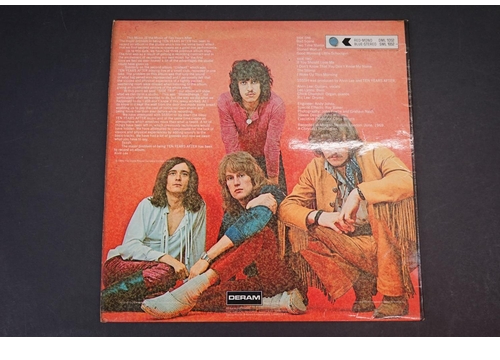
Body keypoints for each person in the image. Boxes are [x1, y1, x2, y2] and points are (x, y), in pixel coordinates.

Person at [278, 112, 418, 318]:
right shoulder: (316, 167)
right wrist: (321, 217)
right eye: (326, 144)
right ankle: (362, 281)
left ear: (351, 141)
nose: (333, 151)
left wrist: (359, 193)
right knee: (300, 232)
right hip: (348, 241)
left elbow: (408, 181)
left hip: (390, 242)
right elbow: (287, 207)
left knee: (380, 205)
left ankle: (394, 296)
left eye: (339, 142)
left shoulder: (375, 153)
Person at [141, 151, 306, 319]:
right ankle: (274, 302)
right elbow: (224, 258)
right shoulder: (231, 214)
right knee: (208, 296)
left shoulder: (271, 192)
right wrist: (212, 285)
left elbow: (254, 222)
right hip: (261, 286)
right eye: (230, 178)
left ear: (253, 177)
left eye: (241, 175)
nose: (236, 182)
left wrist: (205, 259)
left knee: (259, 233)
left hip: (282, 278)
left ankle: (193, 288)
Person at [101, 157, 206, 311]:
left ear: (191, 180)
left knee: (174, 290)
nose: (178, 178)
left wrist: (191, 283)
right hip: (121, 266)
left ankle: (128, 304)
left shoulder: (197, 208)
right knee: (166, 271)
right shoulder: (148, 204)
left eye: (184, 174)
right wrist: (167, 259)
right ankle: (103, 299)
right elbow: (130, 246)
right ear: (164, 178)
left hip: (159, 276)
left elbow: (196, 248)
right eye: (172, 173)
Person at [217, 59, 287, 193]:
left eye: (254, 82)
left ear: (262, 84)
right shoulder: (225, 102)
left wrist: (273, 181)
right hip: (240, 158)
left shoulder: (276, 104)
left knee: (277, 199)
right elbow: (231, 143)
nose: (249, 89)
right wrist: (240, 175)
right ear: (236, 85)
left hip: (269, 158)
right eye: (244, 83)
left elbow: (272, 145)